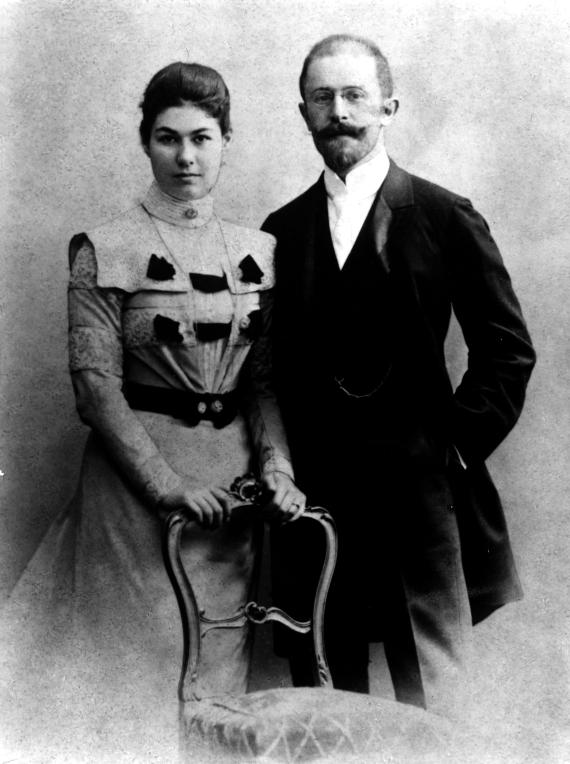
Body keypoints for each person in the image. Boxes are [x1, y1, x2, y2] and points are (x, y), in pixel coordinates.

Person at [0, 61, 304, 757]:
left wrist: (278, 467)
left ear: (227, 139)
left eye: (202, 137)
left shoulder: (260, 252)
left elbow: (262, 382)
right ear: (146, 143)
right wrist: (168, 486)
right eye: (167, 138)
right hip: (136, 494)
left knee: (218, 682)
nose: (186, 156)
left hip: (231, 498)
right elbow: (95, 387)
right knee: (136, 678)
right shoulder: (103, 248)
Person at [263, 34, 536, 716]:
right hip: (320, 497)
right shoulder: (281, 233)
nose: (340, 112)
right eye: (323, 98)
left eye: (355, 95)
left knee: (433, 705)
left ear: (388, 106)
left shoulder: (445, 216)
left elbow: (507, 350)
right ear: (303, 115)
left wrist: (451, 449)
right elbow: (269, 371)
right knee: (326, 696)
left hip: (420, 494)